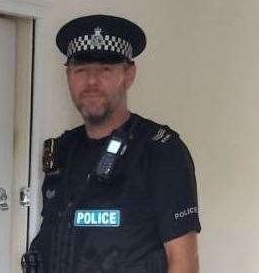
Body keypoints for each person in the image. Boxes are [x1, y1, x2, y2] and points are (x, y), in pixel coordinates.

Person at [23, 15, 201, 272]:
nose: (92, 81)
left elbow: (183, 262)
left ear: (129, 75)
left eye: (105, 69)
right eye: (81, 70)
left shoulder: (159, 150)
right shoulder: (62, 149)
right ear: (68, 75)